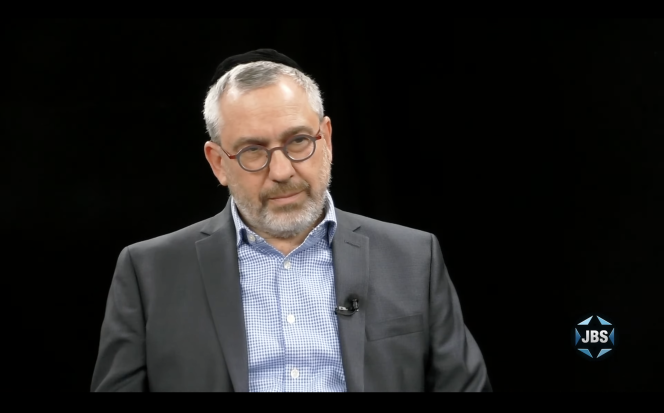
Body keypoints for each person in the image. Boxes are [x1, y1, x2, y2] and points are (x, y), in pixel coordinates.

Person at [91, 49, 491, 392]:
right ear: (218, 163)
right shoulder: (148, 273)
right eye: (252, 150)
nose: (281, 171)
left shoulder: (414, 258)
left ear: (327, 139)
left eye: (298, 141)